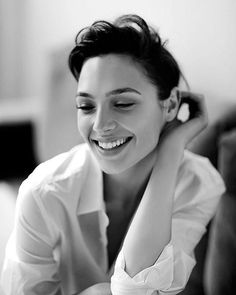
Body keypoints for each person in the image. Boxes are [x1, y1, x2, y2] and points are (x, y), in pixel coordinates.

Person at [1, 14, 225, 295]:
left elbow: (135, 289)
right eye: (86, 106)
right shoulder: (44, 191)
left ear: (169, 106)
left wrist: (171, 150)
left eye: (122, 103)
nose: (99, 125)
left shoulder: (199, 183)